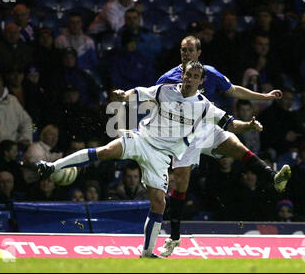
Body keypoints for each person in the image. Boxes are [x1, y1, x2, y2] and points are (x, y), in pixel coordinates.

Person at [36, 61, 274, 258]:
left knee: (159, 204)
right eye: (187, 74)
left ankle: (147, 253)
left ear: (201, 81)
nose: (190, 79)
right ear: (182, 75)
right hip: (142, 140)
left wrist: (249, 125)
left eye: (195, 76)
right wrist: (124, 94)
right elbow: (138, 93)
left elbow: (231, 124)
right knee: (105, 151)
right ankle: (51, 166)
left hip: (161, 157)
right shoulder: (164, 90)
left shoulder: (204, 107)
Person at [155, 36, 288, 256]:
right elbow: (156, 104)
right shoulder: (167, 79)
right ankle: (174, 237)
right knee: (180, 185)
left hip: (206, 126)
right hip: (183, 137)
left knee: (235, 145)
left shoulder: (209, 74)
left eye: (190, 50)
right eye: (183, 50)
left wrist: (263, 96)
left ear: (199, 53)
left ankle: (273, 177)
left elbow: (233, 89)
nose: (186, 54)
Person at [259, 87, 301, 156]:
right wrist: (284, 136)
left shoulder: (291, 115)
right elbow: (266, 137)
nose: (289, 102)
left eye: (291, 99)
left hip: (290, 150)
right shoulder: (267, 114)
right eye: (287, 99)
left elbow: (297, 133)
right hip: (273, 150)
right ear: (278, 99)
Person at [0, 71, 33, 148]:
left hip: (13, 150)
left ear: (2, 84)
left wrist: (25, 138)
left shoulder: (12, 101)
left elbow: (27, 122)